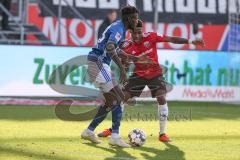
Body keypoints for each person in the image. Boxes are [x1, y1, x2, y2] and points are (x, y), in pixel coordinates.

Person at [97, 20, 205, 142]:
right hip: (138, 75)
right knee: (121, 99)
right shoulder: (127, 46)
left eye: (138, 33)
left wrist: (190, 41)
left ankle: (162, 133)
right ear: (130, 33)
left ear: (142, 31)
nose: (136, 36)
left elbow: (170, 39)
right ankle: (112, 129)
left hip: (155, 74)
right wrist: (125, 67)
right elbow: (125, 62)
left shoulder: (151, 36)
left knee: (161, 98)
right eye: (133, 34)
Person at [81, 5, 140, 148]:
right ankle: (115, 136)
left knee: (110, 102)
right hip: (98, 63)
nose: (137, 21)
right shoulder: (119, 28)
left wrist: (132, 57)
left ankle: (88, 131)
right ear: (129, 18)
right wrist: (122, 69)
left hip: (98, 64)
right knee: (119, 98)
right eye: (135, 18)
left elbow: (116, 49)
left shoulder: (119, 28)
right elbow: (110, 47)